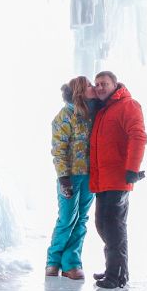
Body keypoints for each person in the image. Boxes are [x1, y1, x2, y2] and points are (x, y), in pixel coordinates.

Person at [89, 70, 147, 289]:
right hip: (103, 179)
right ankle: (113, 268)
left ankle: (117, 275)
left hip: (118, 178)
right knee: (102, 225)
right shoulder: (103, 110)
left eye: (104, 83)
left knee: (114, 226)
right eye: (97, 84)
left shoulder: (128, 105)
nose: (99, 87)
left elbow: (138, 136)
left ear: (115, 85)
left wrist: (132, 168)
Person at [46, 76, 96, 280]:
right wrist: (64, 178)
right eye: (89, 86)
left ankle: (71, 263)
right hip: (70, 177)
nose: (93, 87)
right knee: (67, 218)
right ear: (80, 91)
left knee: (81, 219)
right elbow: (58, 150)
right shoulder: (64, 116)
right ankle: (52, 261)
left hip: (89, 176)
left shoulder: (91, 115)